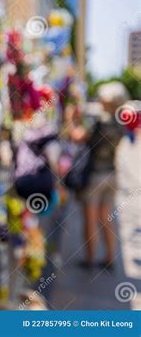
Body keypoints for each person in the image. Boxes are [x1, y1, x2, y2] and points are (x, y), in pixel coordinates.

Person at [69, 82, 129, 270]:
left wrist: (71, 121)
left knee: (90, 219)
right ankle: (110, 258)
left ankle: (90, 259)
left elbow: (77, 137)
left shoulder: (99, 124)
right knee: (106, 219)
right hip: (111, 174)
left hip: (94, 176)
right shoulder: (120, 125)